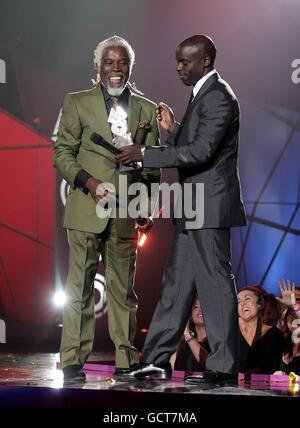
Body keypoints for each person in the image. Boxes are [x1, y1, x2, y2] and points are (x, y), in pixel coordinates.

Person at [117, 34, 247, 384]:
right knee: (175, 287)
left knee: (216, 286)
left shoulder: (219, 96)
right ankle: (157, 360)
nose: (177, 68)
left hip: (209, 206)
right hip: (193, 206)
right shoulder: (203, 94)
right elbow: (194, 145)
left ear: (205, 60)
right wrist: (172, 130)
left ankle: (223, 366)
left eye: (184, 61)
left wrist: (146, 154)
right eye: (176, 61)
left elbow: (202, 152)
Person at [53, 35, 160, 381]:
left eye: (121, 62)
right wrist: (89, 182)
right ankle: (71, 359)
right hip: (86, 209)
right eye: (108, 62)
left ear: (130, 66)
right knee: (78, 290)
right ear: (97, 67)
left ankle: (126, 360)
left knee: (123, 292)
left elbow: (153, 167)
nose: (115, 69)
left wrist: (148, 206)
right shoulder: (77, 102)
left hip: (126, 213)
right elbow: (62, 154)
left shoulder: (145, 108)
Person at [238, 286, 284, 375]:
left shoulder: (274, 334)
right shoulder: (229, 333)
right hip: (230, 386)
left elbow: (273, 368)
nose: (242, 303)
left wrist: (293, 307)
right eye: (238, 301)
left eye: (247, 299)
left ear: (260, 304)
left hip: (263, 386)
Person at [170, 295, 210, 373]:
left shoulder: (218, 342)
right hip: (181, 384)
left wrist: (187, 334)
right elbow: (171, 369)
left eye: (203, 306)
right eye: (196, 307)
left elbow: (210, 365)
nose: (200, 310)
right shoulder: (182, 343)